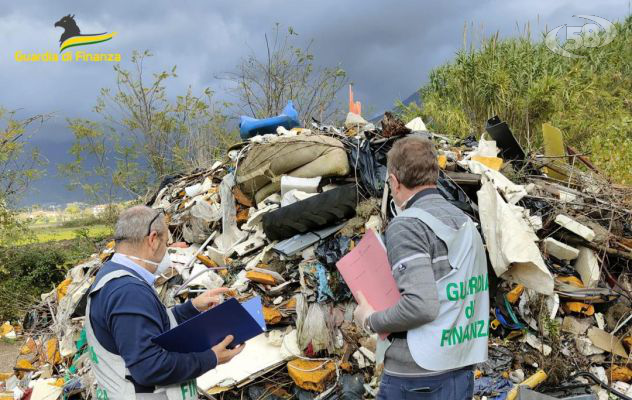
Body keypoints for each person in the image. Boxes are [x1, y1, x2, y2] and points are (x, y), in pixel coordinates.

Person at [354, 136, 489, 400]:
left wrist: (371, 319)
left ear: (394, 181)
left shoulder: (407, 226)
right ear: (435, 175)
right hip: (459, 370)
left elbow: (421, 306)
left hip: (416, 379)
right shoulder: (464, 221)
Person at [86, 205, 244, 400]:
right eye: (166, 243)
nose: (167, 251)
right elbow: (148, 367)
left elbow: (149, 328)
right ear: (153, 239)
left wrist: (191, 308)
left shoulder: (113, 275)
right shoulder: (128, 291)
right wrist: (210, 358)